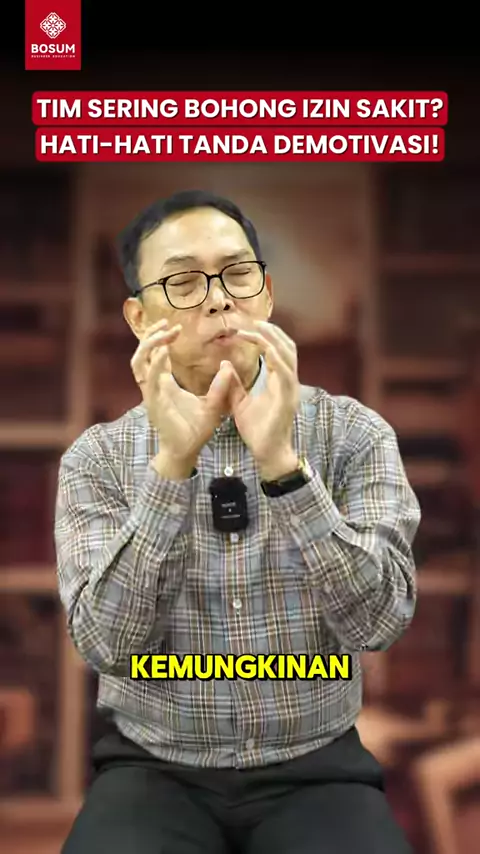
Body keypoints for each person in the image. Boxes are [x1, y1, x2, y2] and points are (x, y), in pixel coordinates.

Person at [55, 189, 421, 853]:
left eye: (237, 274)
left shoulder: (355, 436)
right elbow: (104, 644)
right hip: (153, 767)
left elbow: (379, 622)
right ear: (139, 317)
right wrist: (171, 468)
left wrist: (284, 467)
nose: (219, 299)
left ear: (267, 294)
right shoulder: (97, 459)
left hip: (317, 764)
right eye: (184, 283)